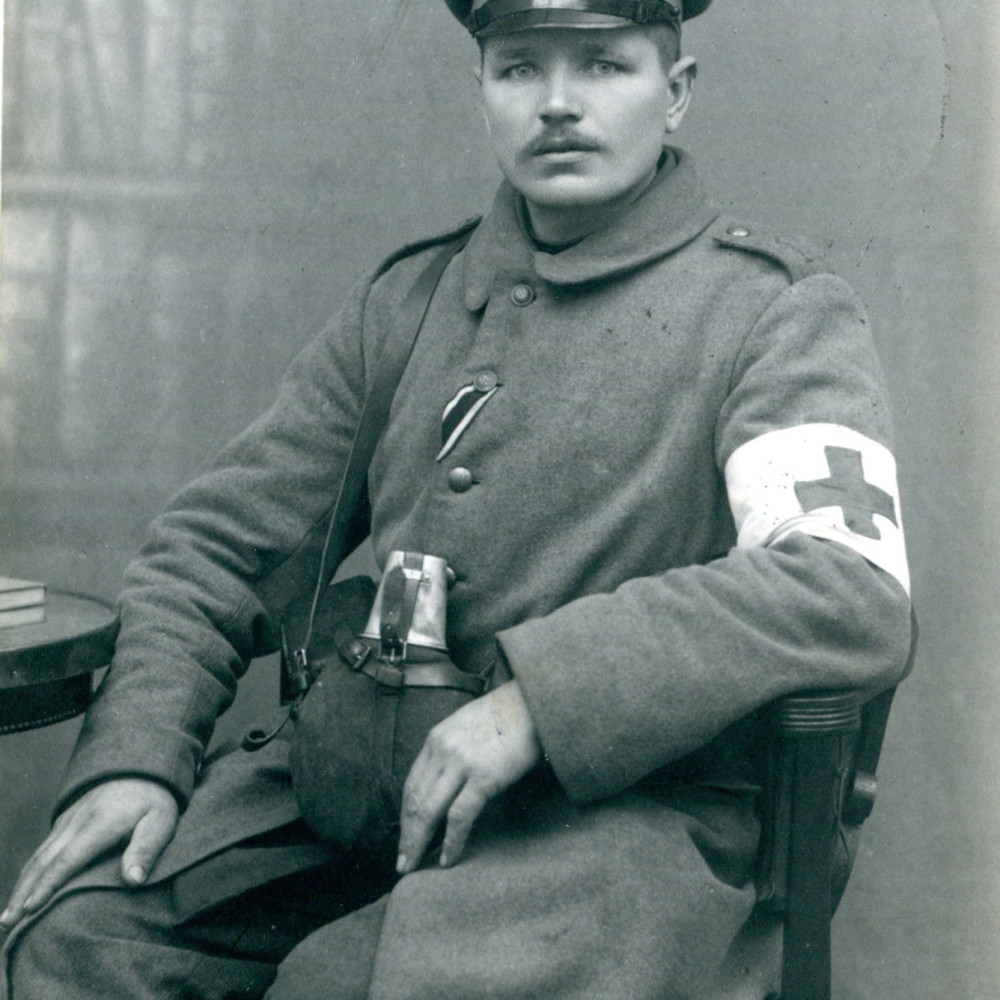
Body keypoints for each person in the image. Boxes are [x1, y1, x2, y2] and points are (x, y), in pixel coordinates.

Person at [1, 1, 913, 997]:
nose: (557, 105)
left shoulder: (771, 309)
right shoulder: (410, 301)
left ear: (677, 94)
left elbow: (844, 586)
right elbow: (214, 547)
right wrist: (138, 757)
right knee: (78, 943)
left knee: (341, 984)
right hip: (352, 788)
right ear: (481, 91)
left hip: (612, 820)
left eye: (603, 65)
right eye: (519, 69)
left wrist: (540, 700)